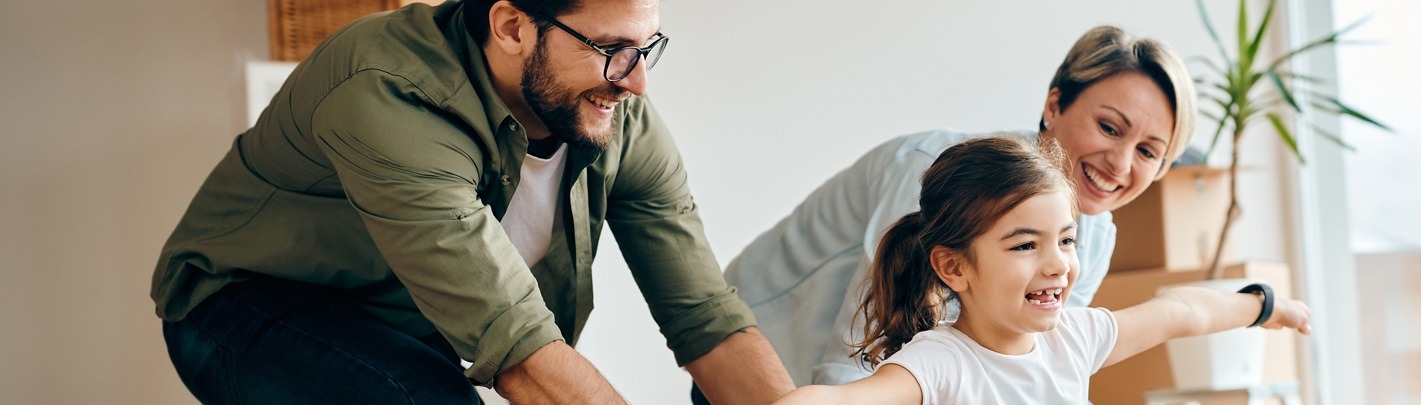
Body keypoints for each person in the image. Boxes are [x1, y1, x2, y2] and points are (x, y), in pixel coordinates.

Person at [149, 0, 794, 403]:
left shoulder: (616, 119)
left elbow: (704, 317)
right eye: (612, 51)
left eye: (645, 47)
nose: (638, 83)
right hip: (241, 302)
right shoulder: (388, 91)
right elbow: (516, 346)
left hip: (405, 320)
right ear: (511, 26)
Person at [721, 26, 1199, 392]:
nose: (1120, 164)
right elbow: (855, 352)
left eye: (1147, 151)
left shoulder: (1094, 237)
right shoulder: (936, 172)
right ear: (1054, 105)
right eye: (1110, 128)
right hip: (758, 350)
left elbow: (1033, 360)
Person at [772, 136, 1311, 404]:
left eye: (1068, 240)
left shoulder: (1076, 338)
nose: (1059, 264)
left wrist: (1263, 305)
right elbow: (850, 399)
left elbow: (1179, 312)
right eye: (1026, 245)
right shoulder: (940, 362)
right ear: (953, 267)